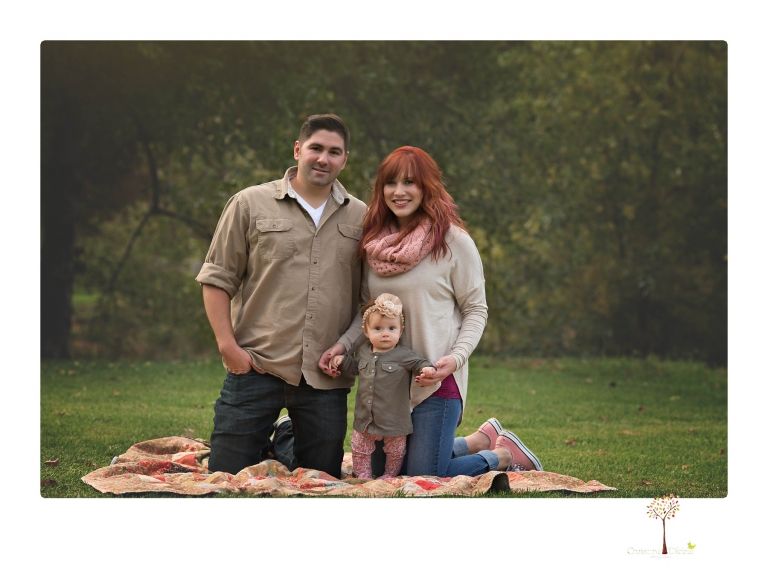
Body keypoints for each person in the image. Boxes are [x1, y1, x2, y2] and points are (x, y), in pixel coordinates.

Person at [319, 145, 543, 477]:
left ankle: (501, 456)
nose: (399, 192)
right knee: (389, 473)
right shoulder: (373, 245)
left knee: (421, 475)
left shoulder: (453, 241)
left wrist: (455, 359)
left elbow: (476, 309)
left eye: (410, 182)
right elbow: (367, 312)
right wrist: (342, 346)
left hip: (436, 381)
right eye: (390, 183)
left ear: (426, 187)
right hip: (388, 390)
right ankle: (476, 440)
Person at [195, 114, 366, 478]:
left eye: (334, 152)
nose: (324, 158)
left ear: (345, 159)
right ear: (298, 149)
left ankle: (283, 438)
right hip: (256, 365)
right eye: (316, 148)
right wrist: (228, 347)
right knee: (224, 478)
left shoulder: (362, 217)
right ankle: (277, 439)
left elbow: (370, 299)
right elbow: (217, 278)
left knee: (321, 480)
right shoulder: (249, 203)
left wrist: (345, 348)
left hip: (324, 376)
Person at [329, 293, 436, 479]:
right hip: (366, 418)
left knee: (395, 450)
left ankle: (389, 474)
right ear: (366, 331)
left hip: (394, 419)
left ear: (400, 331)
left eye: (391, 328)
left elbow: (419, 363)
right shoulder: (363, 352)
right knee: (360, 447)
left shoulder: (403, 355)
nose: (385, 333)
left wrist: (427, 369)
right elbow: (355, 368)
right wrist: (343, 360)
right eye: (378, 328)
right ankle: (363, 474)